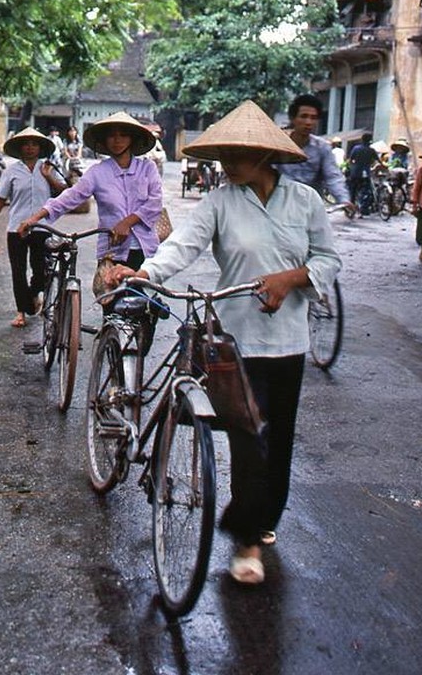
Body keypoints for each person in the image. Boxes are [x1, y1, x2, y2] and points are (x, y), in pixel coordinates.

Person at [104, 100, 341, 586]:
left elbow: (328, 261)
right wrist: (145, 272)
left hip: (289, 339)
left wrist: (291, 278)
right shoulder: (220, 201)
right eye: (223, 155)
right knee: (247, 435)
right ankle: (247, 538)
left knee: (277, 439)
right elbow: (184, 244)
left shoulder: (305, 202)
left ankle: (263, 517)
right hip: (236, 340)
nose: (227, 163)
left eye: (237, 153)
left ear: (263, 155)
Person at [17, 111, 163, 273]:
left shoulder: (147, 168)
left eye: (123, 135)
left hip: (145, 249)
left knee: (144, 296)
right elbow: (70, 197)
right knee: (111, 296)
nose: (117, 140)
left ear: (132, 139)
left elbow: (154, 204)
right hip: (112, 252)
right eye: (112, 136)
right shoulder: (97, 172)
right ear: (104, 140)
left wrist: (126, 223)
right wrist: (35, 218)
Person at [0, 128, 68, 328]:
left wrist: (48, 176)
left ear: (40, 147)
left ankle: (35, 293)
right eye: (26, 144)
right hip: (16, 228)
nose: (30, 148)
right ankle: (21, 311)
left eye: (34, 144)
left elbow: (64, 191)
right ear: (20, 148)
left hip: (42, 227)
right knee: (18, 272)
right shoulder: (11, 171)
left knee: (40, 269)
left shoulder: (47, 167)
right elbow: (0, 199)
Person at [276, 94, 353, 207]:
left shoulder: (323, 147)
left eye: (313, 118)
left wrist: (344, 200)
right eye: (304, 116)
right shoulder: (278, 144)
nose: (309, 122)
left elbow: (333, 176)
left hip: (310, 207)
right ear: (293, 119)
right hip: (280, 204)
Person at [346, 132, 379, 212]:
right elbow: (378, 161)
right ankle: (364, 208)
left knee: (353, 190)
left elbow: (350, 160)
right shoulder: (371, 150)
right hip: (366, 174)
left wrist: (351, 167)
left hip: (355, 173)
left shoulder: (356, 148)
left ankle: (351, 206)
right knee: (367, 190)